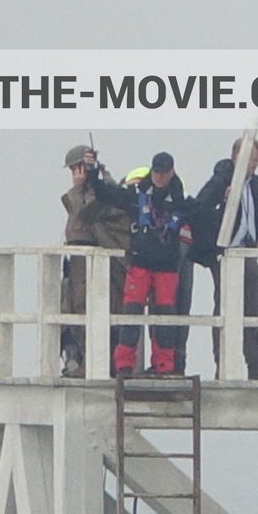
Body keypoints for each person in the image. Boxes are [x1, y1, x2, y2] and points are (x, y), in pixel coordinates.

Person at [92, 152, 196, 376]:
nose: (160, 177)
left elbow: (204, 217)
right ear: (152, 171)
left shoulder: (182, 201)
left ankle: (164, 366)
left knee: (165, 318)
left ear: (172, 172)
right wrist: (93, 174)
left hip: (167, 267)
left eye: (164, 172)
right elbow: (106, 194)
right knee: (131, 314)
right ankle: (124, 366)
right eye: (156, 172)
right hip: (140, 263)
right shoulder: (136, 195)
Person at [192, 137, 258, 381]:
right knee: (225, 307)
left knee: (253, 307)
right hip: (224, 254)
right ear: (239, 157)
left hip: (246, 251)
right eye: (254, 159)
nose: (257, 164)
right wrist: (223, 204)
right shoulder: (221, 179)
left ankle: (257, 364)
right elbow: (200, 209)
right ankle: (223, 364)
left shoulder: (256, 184)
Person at [59, 145, 129, 378]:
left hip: (95, 257)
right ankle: (82, 358)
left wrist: (82, 185)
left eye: (76, 168)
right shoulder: (87, 190)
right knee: (74, 306)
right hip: (78, 257)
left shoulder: (103, 189)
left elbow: (85, 211)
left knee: (94, 308)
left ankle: (98, 362)